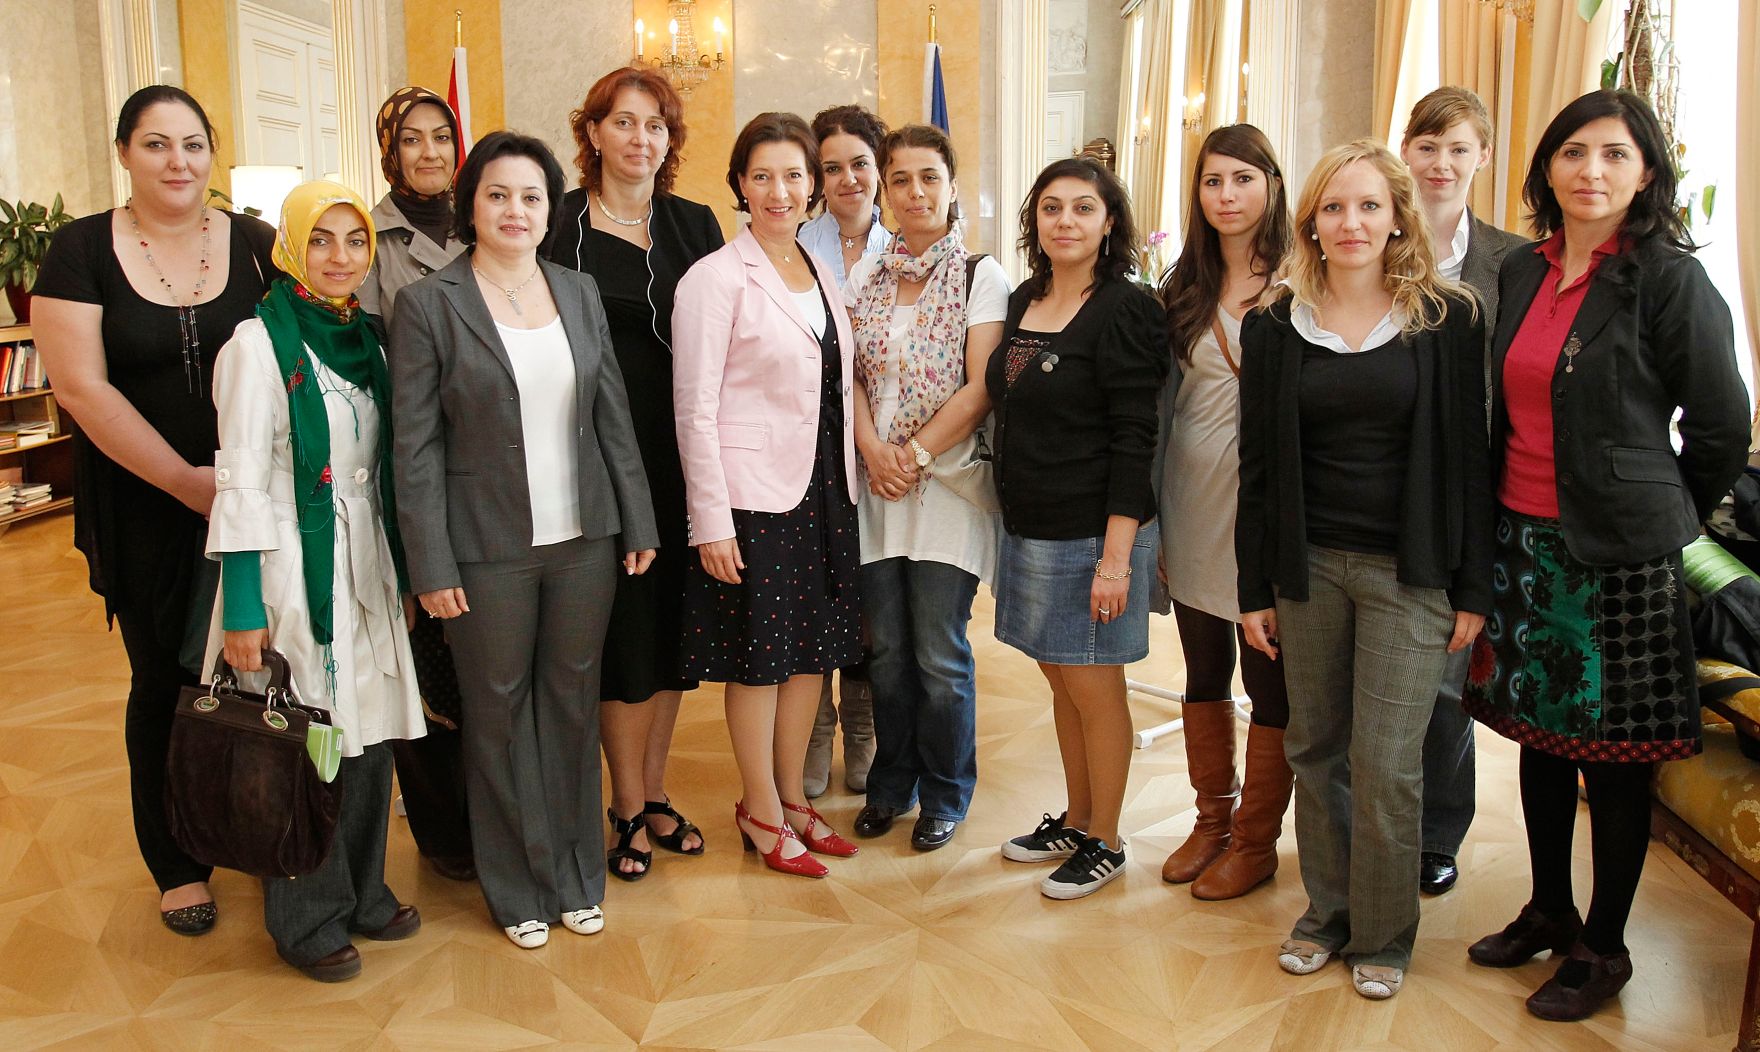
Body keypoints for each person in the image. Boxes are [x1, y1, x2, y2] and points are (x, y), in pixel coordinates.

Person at [1461, 89, 1749, 1022]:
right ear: (1547, 164)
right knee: (1539, 741)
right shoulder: (1522, 271)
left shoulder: (1666, 279)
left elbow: (1719, 425)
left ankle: (1606, 943)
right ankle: (1549, 907)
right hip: (1520, 539)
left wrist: (1661, 514)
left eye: (1615, 155)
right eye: (1574, 152)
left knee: (1615, 759)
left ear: (1647, 172)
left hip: (1620, 557)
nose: (1592, 171)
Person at [391, 130, 659, 949]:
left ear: (552, 208)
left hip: (583, 540)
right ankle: (515, 887)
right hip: (484, 550)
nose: (515, 210)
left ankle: (577, 875)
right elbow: (415, 447)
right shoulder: (429, 302)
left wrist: (637, 517)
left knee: (572, 708)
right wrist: (429, 562)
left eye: (531, 196)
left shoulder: (576, 292)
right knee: (498, 717)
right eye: (498, 195)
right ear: (472, 205)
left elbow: (611, 412)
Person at [1236, 139, 1491, 1000]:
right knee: (1315, 748)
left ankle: (1383, 933)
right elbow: (1259, 470)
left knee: (1387, 761)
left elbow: (1470, 460)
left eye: (1370, 207)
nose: (1352, 224)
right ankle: (1327, 912)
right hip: (1306, 570)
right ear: (1311, 220)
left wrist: (1473, 588)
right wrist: (1251, 588)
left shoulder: (1447, 319)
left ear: (1397, 218)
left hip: (1409, 574)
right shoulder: (1274, 324)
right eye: (1336, 207)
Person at [32, 85, 278, 937]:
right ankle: (176, 862)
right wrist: (183, 480)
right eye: (157, 145)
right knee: (165, 680)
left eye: (194, 144)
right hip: (145, 504)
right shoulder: (78, 250)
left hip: (253, 500)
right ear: (125, 153)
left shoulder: (254, 243)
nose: (179, 162)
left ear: (214, 153)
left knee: (255, 674)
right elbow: (80, 388)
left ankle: (250, 822)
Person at [204, 180, 426, 982]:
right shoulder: (255, 346)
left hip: (364, 556)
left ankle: (363, 891)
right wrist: (240, 609)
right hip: (290, 569)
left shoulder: (366, 339)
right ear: (291, 248)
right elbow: (240, 484)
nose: (341, 257)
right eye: (322, 240)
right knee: (308, 744)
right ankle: (305, 916)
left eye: (356, 241)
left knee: (366, 734)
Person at [672, 112, 862, 879]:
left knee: (810, 656)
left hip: (823, 490)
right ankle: (758, 806)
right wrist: (709, 520)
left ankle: (794, 800)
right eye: (762, 176)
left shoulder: (815, 268)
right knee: (760, 660)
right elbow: (695, 408)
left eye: (793, 175)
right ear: (739, 187)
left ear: (812, 185)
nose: (778, 191)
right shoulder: (715, 278)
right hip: (753, 500)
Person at [548, 66, 724, 882]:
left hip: (687, 458)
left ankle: (654, 791)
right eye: (623, 122)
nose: (639, 139)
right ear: (593, 134)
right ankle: (623, 807)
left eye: (655, 125)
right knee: (622, 636)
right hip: (600, 460)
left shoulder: (695, 225)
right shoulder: (557, 227)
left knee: (671, 634)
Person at [990, 157, 1166, 900]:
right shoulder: (1026, 297)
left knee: (1097, 690)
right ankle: (1080, 816)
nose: (1065, 221)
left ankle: (1107, 839)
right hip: (1032, 525)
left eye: (1083, 209)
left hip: (1097, 534)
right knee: (1061, 681)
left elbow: (1135, 436)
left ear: (1109, 224)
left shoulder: (1128, 308)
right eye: (1052, 207)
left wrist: (1118, 560)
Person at [845, 124, 1010, 852]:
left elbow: (982, 387)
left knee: (940, 655)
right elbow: (847, 377)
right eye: (901, 179)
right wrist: (872, 450)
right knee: (884, 653)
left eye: (929, 178)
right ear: (885, 188)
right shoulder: (866, 277)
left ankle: (947, 791)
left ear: (951, 186)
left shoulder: (982, 275)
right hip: (875, 488)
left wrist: (909, 453)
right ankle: (891, 784)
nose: (915, 192)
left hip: (945, 486)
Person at [1154, 124, 1295, 901]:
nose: (1227, 195)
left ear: (1271, 183)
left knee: (1270, 678)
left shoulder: (1303, 278)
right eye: (1213, 182)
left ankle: (1256, 840)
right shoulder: (1184, 287)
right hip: (1191, 498)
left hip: (1269, 505)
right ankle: (1212, 820)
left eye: (1242, 178)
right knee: (1203, 667)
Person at [1398, 85, 1530, 898]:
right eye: (1427, 146)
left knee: (1448, 677)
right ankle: (1366, 825)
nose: (1441, 164)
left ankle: (1437, 832)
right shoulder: (1375, 241)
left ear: (1482, 157)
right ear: (1404, 152)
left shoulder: (1514, 263)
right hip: (1380, 484)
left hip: (1473, 493)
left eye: (1458, 149)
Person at [355, 84, 476, 884]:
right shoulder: (368, 238)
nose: (429, 152)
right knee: (427, 652)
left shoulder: (491, 211)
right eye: (411, 140)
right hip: (416, 471)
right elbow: (367, 373)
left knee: (489, 654)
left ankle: (503, 812)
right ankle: (444, 833)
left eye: (441, 137)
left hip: (495, 475)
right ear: (389, 151)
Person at [798, 104, 893, 796]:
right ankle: (815, 725)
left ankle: (860, 725)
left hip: (885, 456)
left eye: (859, 163)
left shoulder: (906, 248)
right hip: (808, 454)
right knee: (813, 590)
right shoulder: (795, 244)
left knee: (867, 599)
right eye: (831, 167)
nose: (847, 178)